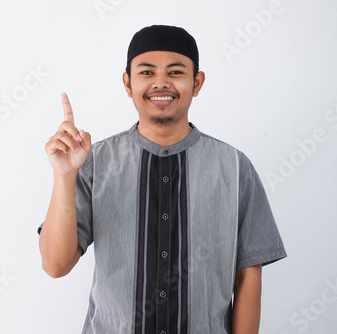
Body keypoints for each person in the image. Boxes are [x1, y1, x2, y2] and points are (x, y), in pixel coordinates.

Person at [38, 25, 287, 334]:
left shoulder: (234, 168)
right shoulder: (94, 163)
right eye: (146, 72)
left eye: (175, 72)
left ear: (197, 83)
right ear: (128, 83)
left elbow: (248, 276)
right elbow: (55, 265)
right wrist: (64, 176)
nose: (160, 83)